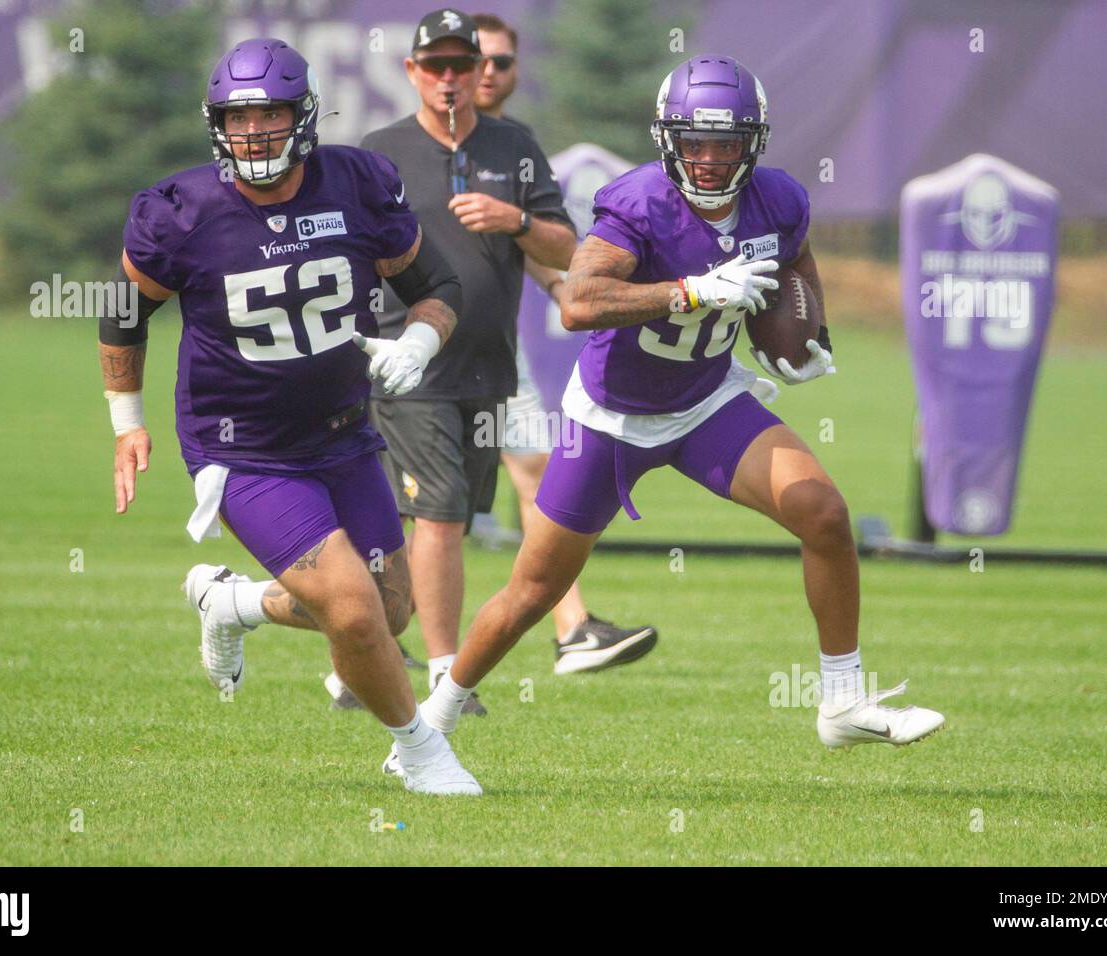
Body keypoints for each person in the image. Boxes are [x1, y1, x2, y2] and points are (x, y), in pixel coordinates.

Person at [398, 56, 945, 775]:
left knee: (824, 513)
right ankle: (429, 725)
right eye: (696, 142)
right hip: (610, 419)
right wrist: (691, 290)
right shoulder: (640, 203)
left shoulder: (778, 199)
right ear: (668, 140)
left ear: (755, 142)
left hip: (706, 402)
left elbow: (796, 257)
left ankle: (842, 702)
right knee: (534, 592)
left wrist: (810, 331)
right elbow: (578, 303)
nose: (711, 160)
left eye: (727, 143)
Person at [100, 37, 480, 795]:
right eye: (238, 119)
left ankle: (233, 602)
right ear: (217, 126)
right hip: (243, 450)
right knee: (351, 609)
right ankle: (419, 752)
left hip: (342, 434)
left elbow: (439, 285)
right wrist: (127, 422)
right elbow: (122, 311)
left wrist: (419, 338)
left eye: (270, 115)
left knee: (389, 611)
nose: (254, 134)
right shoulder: (183, 210)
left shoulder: (356, 184)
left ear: (302, 115)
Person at [322, 8, 576, 714]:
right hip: (410, 366)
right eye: (435, 66)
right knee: (438, 516)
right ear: (412, 73)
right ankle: (443, 675)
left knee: (445, 522)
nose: (451, 79)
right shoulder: (380, 152)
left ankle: (351, 657)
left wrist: (515, 220)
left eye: (463, 66)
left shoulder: (515, 147)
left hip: (489, 368)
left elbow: (568, 250)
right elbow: (344, 252)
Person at [470, 12, 657, 676]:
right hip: (410, 343)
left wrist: (564, 290)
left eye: (504, 61)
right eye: (477, 59)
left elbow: (541, 241)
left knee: (534, 467)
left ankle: (573, 628)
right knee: (417, 506)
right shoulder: (412, 143)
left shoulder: (513, 144)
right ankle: (324, 631)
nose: (490, 73)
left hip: (494, 339)